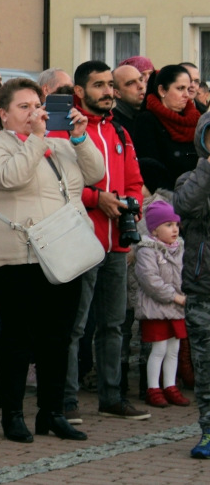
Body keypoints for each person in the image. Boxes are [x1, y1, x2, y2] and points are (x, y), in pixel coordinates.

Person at [0, 78, 103, 443]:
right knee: (17, 338)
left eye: (37, 105)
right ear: (3, 113)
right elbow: (12, 177)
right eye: (24, 107)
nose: (34, 113)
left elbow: (94, 174)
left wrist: (79, 137)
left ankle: (52, 412)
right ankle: (12, 414)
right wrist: (36, 139)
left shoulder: (56, 146)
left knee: (58, 338)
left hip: (65, 252)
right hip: (19, 256)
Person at [61, 61, 149, 425]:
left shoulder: (120, 134)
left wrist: (134, 205)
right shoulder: (65, 130)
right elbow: (61, 183)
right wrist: (99, 200)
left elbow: (134, 180)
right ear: (80, 91)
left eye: (110, 85)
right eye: (99, 85)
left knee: (113, 325)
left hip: (116, 244)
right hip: (81, 242)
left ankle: (111, 396)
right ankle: (66, 400)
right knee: (74, 326)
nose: (109, 92)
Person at [171, 109, 210, 458]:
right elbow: (184, 205)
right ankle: (209, 431)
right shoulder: (191, 178)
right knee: (206, 365)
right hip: (203, 289)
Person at [134, 202, 190, 408]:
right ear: (155, 229)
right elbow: (151, 281)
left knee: (174, 349)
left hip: (177, 309)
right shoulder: (147, 250)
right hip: (156, 309)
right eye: (168, 224)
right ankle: (153, 388)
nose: (174, 229)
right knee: (158, 350)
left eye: (176, 224)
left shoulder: (181, 249)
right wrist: (176, 297)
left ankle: (170, 386)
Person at [134, 65, 200, 193]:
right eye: (180, 88)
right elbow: (150, 168)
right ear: (162, 91)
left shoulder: (197, 119)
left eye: (188, 88)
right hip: (168, 199)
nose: (186, 95)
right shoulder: (147, 120)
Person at [112, 63, 146, 141]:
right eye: (131, 83)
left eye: (141, 79)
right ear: (117, 93)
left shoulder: (153, 116)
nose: (141, 86)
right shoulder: (113, 124)